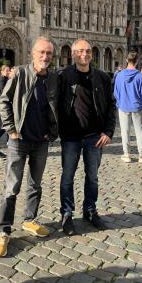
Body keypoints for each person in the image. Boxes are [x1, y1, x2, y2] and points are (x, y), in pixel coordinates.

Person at [0, 37, 58, 258]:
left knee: (35, 185)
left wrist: (52, 132)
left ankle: (30, 220)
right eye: (41, 52)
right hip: (18, 141)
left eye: (48, 53)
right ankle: (3, 231)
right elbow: (4, 100)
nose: (45, 57)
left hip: (41, 141)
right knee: (12, 188)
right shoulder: (20, 73)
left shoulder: (52, 79)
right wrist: (11, 129)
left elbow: (54, 107)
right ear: (32, 53)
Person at [58, 39, 116, 236]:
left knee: (92, 177)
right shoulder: (63, 76)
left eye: (88, 51)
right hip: (70, 137)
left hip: (94, 137)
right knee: (67, 177)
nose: (85, 54)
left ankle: (90, 211)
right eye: (80, 51)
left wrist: (108, 132)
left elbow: (110, 106)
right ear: (73, 54)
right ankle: (66, 214)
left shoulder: (102, 77)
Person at [114, 51, 142, 164]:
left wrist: (119, 103)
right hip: (138, 107)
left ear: (126, 60)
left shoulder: (119, 75)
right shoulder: (140, 76)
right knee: (140, 132)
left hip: (123, 107)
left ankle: (127, 154)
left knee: (125, 131)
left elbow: (116, 92)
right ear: (137, 61)